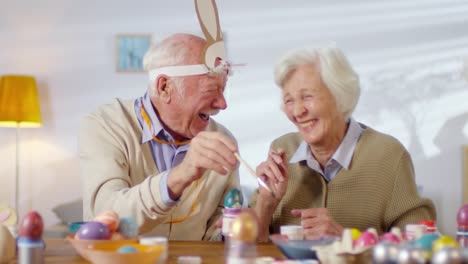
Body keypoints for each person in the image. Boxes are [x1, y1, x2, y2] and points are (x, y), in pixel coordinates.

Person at [250, 45, 436, 241]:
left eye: (307, 97)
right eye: (289, 100)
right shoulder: (283, 150)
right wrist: (265, 204)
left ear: (339, 95)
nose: (297, 111)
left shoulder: (388, 155)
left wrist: (347, 238)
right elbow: (250, 248)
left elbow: (421, 243)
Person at [80, 33, 240, 241]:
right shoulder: (105, 124)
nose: (222, 104)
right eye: (212, 90)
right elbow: (106, 215)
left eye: (223, 90)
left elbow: (219, 230)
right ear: (165, 87)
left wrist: (244, 221)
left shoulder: (222, 139)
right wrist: (181, 175)